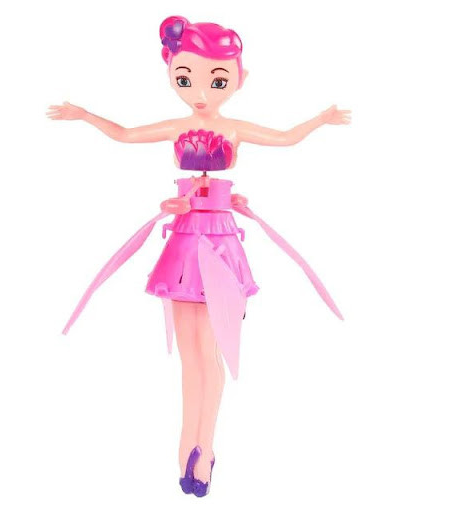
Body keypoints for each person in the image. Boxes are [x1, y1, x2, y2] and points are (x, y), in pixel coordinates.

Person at [46, 15, 350, 497]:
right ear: (170, 73)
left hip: (220, 243)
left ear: (240, 79)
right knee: (190, 355)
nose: (202, 92)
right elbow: (124, 134)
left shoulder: (234, 128)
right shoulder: (177, 126)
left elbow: (286, 137)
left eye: (218, 80)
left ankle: (204, 447)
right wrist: (83, 115)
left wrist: (320, 119)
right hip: (185, 242)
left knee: (212, 350)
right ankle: (187, 444)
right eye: (186, 79)